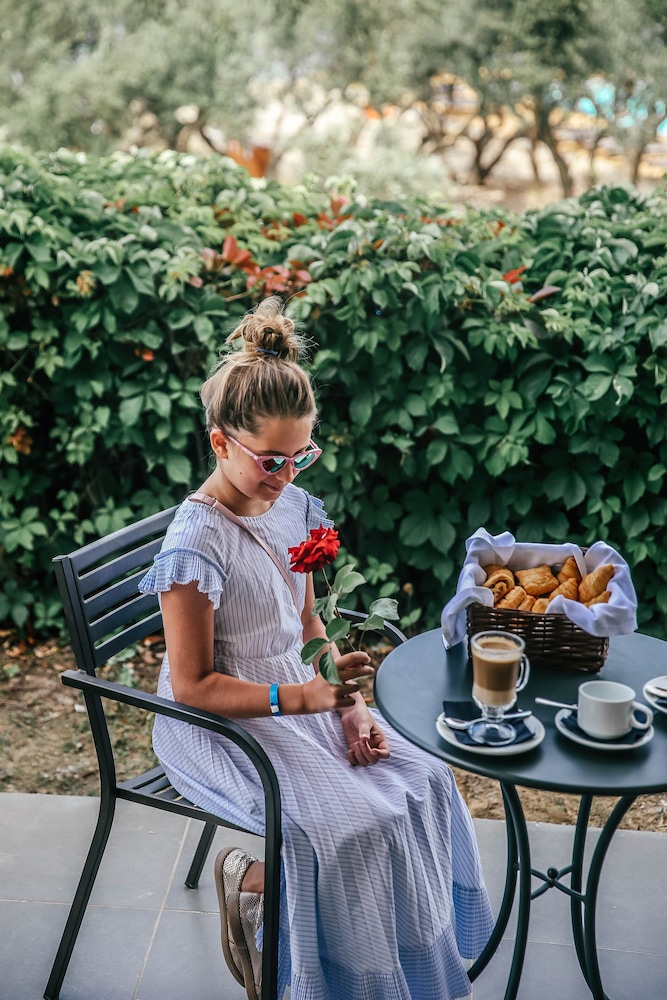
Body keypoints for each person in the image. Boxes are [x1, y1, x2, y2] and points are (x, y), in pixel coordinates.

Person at [139, 296, 493, 1000]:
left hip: (297, 693)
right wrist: (303, 698)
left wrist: (349, 705)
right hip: (220, 721)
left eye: (301, 455)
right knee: (353, 826)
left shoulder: (291, 506)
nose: (287, 475)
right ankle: (265, 903)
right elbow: (193, 687)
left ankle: (404, 964)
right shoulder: (194, 546)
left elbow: (307, 623)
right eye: (270, 460)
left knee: (425, 778)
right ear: (219, 444)